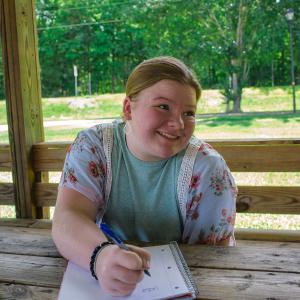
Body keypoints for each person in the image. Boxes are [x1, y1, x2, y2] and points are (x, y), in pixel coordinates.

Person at [52, 56, 237, 297]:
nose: (178, 124)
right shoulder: (94, 146)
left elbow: (210, 260)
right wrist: (101, 256)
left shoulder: (207, 169)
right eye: (163, 106)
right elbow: (69, 216)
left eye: (189, 113)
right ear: (129, 109)